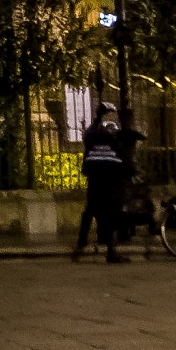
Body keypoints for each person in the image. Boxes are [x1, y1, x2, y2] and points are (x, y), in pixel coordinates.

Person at [73, 106, 134, 264]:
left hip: (94, 186)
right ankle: (110, 252)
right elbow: (125, 168)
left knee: (89, 213)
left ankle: (81, 244)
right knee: (110, 217)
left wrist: (98, 118)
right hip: (109, 188)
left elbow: (85, 168)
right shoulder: (114, 147)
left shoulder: (92, 146)